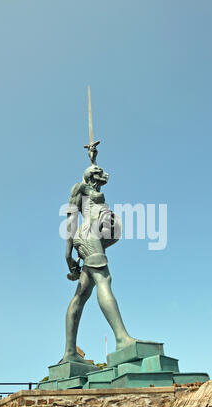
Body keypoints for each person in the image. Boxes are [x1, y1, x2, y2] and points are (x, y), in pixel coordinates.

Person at [61, 146, 136, 364]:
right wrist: (67, 255)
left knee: (81, 295)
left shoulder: (92, 188)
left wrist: (93, 158)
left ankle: (69, 353)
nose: (105, 174)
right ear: (91, 176)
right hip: (89, 234)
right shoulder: (80, 188)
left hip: (93, 236)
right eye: (100, 171)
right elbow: (70, 221)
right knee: (104, 279)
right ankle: (122, 338)